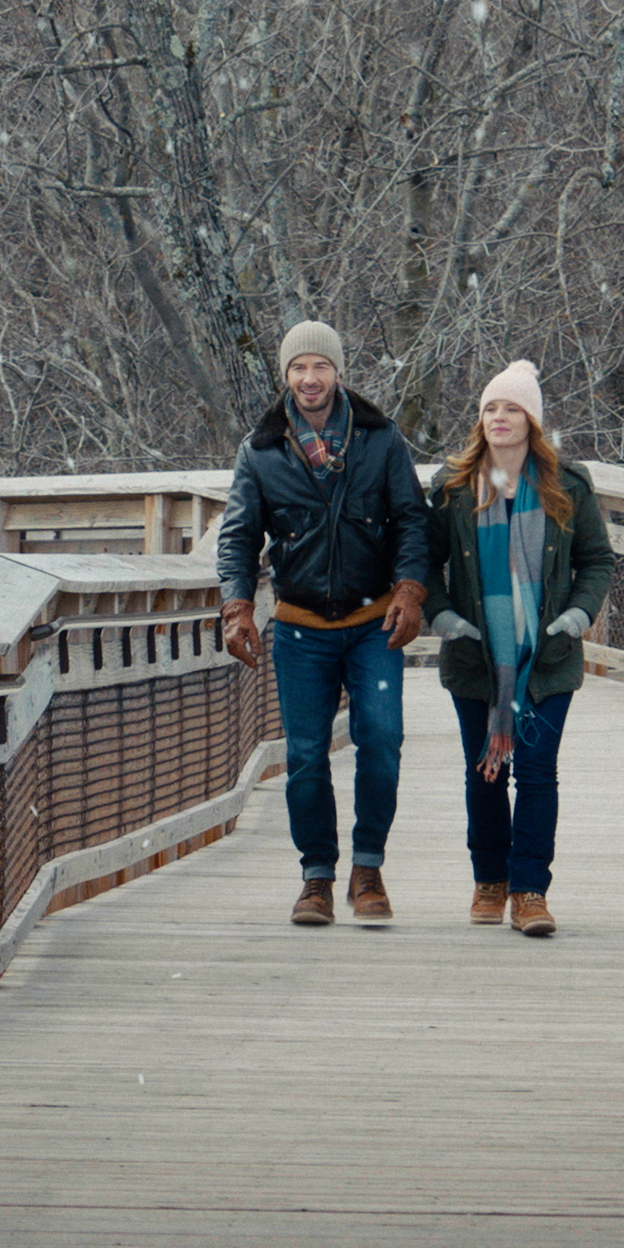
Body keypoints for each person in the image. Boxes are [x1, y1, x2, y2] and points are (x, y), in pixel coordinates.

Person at [216, 322, 431, 926]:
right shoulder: (260, 451)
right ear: (286, 376)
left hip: (373, 625)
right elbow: (237, 537)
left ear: (338, 372)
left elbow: (412, 520)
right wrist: (236, 606)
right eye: (298, 368)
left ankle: (368, 868)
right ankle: (316, 876)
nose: (309, 379)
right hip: (300, 629)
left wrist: (410, 590)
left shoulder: (380, 439)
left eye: (320, 367)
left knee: (381, 742)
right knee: (307, 756)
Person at [422, 361, 615, 938]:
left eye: (511, 408)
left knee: (536, 773)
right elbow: (423, 562)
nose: (499, 417)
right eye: (490, 408)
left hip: (547, 657)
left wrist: (578, 615)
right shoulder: (453, 487)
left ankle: (530, 891)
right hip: (475, 655)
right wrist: (444, 617)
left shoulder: (567, 486)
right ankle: (490, 879)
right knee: (483, 774)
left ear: (532, 420)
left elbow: (597, 560)